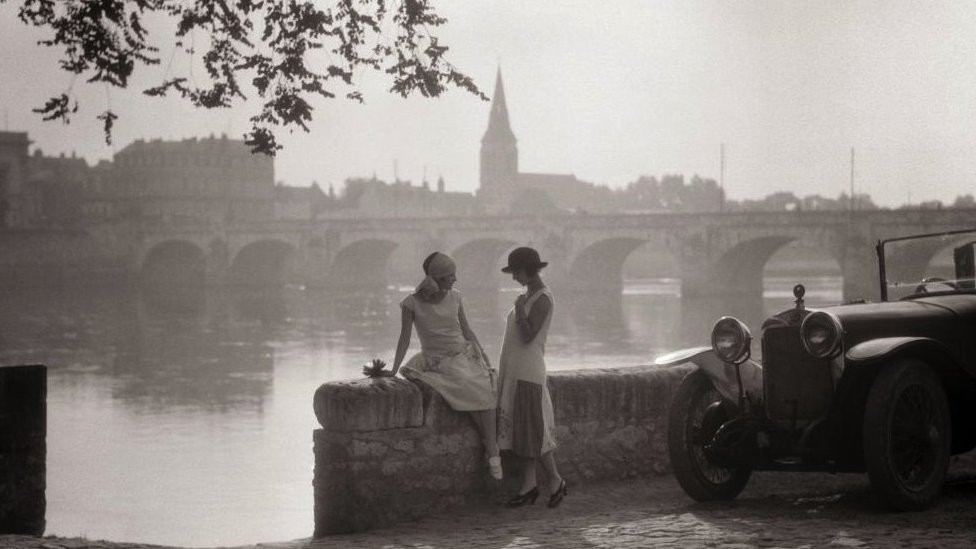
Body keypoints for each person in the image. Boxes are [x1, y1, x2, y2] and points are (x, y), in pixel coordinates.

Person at [385, 252, 502, 480]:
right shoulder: (411, 303)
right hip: (437, 360)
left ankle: (491, 448)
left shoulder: (455, 297)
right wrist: (393, 368)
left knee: (485, 386)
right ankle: (493, 449)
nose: (455, 278)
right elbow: (404, 339)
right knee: (472, 386)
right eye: (451, 275)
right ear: (439, 277)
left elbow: (467, 331)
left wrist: (484, 356)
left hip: (463, 356)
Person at [496, 246, 567, 508]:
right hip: (516, 370)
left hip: (528, 371)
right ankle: (530, 485)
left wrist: (520, 310)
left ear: (529, 270)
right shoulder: (528, 296)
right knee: (523, 430)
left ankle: (555, 480)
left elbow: (528, 336)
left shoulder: (542, 299)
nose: (514, 277)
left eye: (516, 272)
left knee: (532, 430)